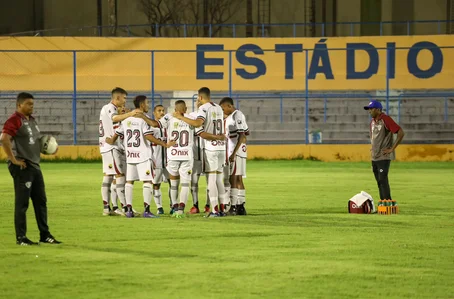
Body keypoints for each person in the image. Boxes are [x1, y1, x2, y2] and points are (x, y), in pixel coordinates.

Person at [1, 92, 61, 245]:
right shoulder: (14, 120)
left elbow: (35, 141)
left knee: (41, 201)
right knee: (22, 203)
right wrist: (13, 159)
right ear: (19, 105)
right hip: (23, 166)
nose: (31, 107)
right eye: (28, 104)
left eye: (32, 104)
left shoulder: (32, 121)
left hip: (34, 165)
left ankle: (45, 235)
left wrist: (49, 147)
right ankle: (21, 238)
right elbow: (4, 138)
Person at [107, 95, 174, 218]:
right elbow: (148, 136)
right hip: (143, 155)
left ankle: (128, 210)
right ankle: (147, 210)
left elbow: (118, 133)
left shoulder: (126, 119)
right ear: (142, 105)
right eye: (147, 103)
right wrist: (164, 144)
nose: (148, 105)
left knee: (129, 182)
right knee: (147, 181)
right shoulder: (144, 119)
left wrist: (111, 140)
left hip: (130, 155)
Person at [162, 100, 224, 218]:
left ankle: (174, 208)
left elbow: (156, 125)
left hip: (174, 154)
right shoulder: (192, 119)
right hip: (190, 155)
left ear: (175, 109)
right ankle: (183, 209)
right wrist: (219, 137)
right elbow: (199, 129)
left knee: (175, 183)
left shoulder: (169, 117)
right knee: (190, 183)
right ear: (185, 109)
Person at [99, 87, 141, 216]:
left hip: (106, 147)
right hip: (111, 147)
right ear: (117, 98)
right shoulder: (109, 108)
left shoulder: (107, 109)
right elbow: (114, 118)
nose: (124, 101)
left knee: (109, 176)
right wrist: (130, 114)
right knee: (120, 176)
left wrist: (125, 115)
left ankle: (108, 207)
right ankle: (125, 207)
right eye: (124, 98)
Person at [364, 100, 405, 204]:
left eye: (371, 109)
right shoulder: (372, 122)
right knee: (379, 181)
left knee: (383, 180)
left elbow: (400, 132)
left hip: (383, 156)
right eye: (369, 109)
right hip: (374, 156)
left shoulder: (385, 119)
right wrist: (373, 147)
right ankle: (383, 203)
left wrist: (392, 149)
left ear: (378, 109)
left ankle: (388, 203)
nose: (369, 111)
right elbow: (375, 138)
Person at [220, 97, 250, 215]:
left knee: (233, 178)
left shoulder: (236, 115)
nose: (223, 111)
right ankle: (240, 206)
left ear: (229, 106)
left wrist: (233, 153)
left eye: (223, 109)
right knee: (239, 178)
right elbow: (246, 132)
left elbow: (242, 135)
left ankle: (233, 207)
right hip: (240, 150)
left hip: (236, 151)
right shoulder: (234, 116)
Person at [149, 105, 169, 215]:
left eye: (163, 110)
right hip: (156, 159)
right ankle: (159, 207)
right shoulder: (150, 127)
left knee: (173, 182)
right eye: (159, 111)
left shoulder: (168, 126)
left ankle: (173, 205)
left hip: (169, 160)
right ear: (154, 113)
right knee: (156, 184)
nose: (162, 112)